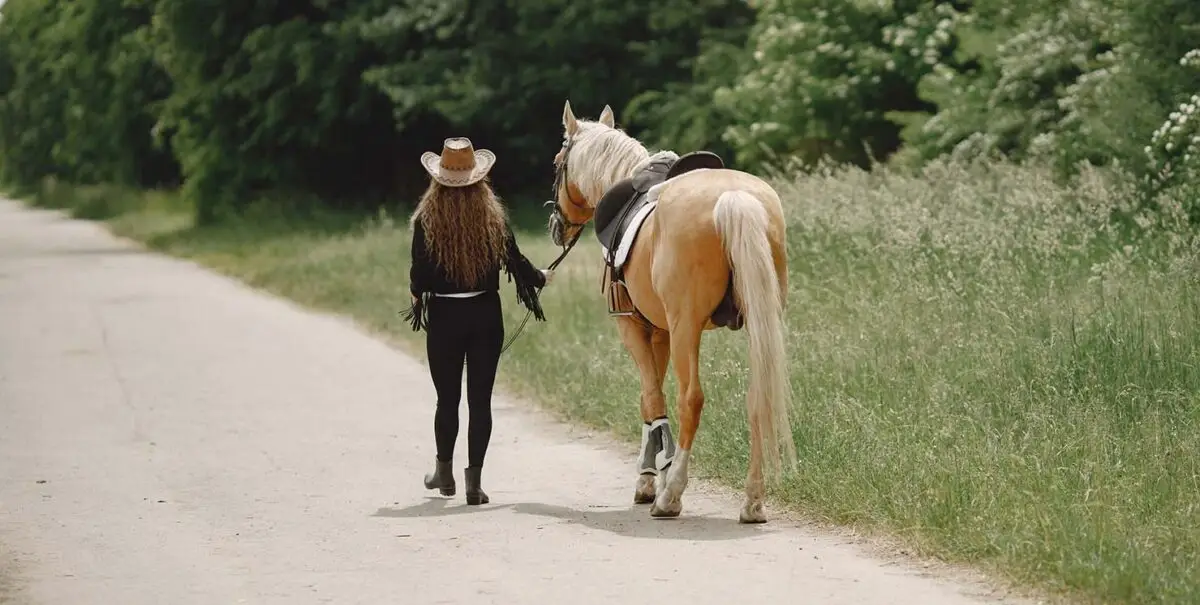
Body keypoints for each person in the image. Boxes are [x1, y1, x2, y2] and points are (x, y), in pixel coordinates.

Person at [402, 137, 554, 506]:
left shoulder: (426, 219)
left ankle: (444, 472)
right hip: (485, 314)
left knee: (447, 400)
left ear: (438, 180)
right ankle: (474, 484)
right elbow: (516, 263)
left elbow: (419, 274)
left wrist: (416, 294)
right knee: (480, 401)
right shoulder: (493, 217)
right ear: (479, 179)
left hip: (443, 316)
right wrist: (540, 277)